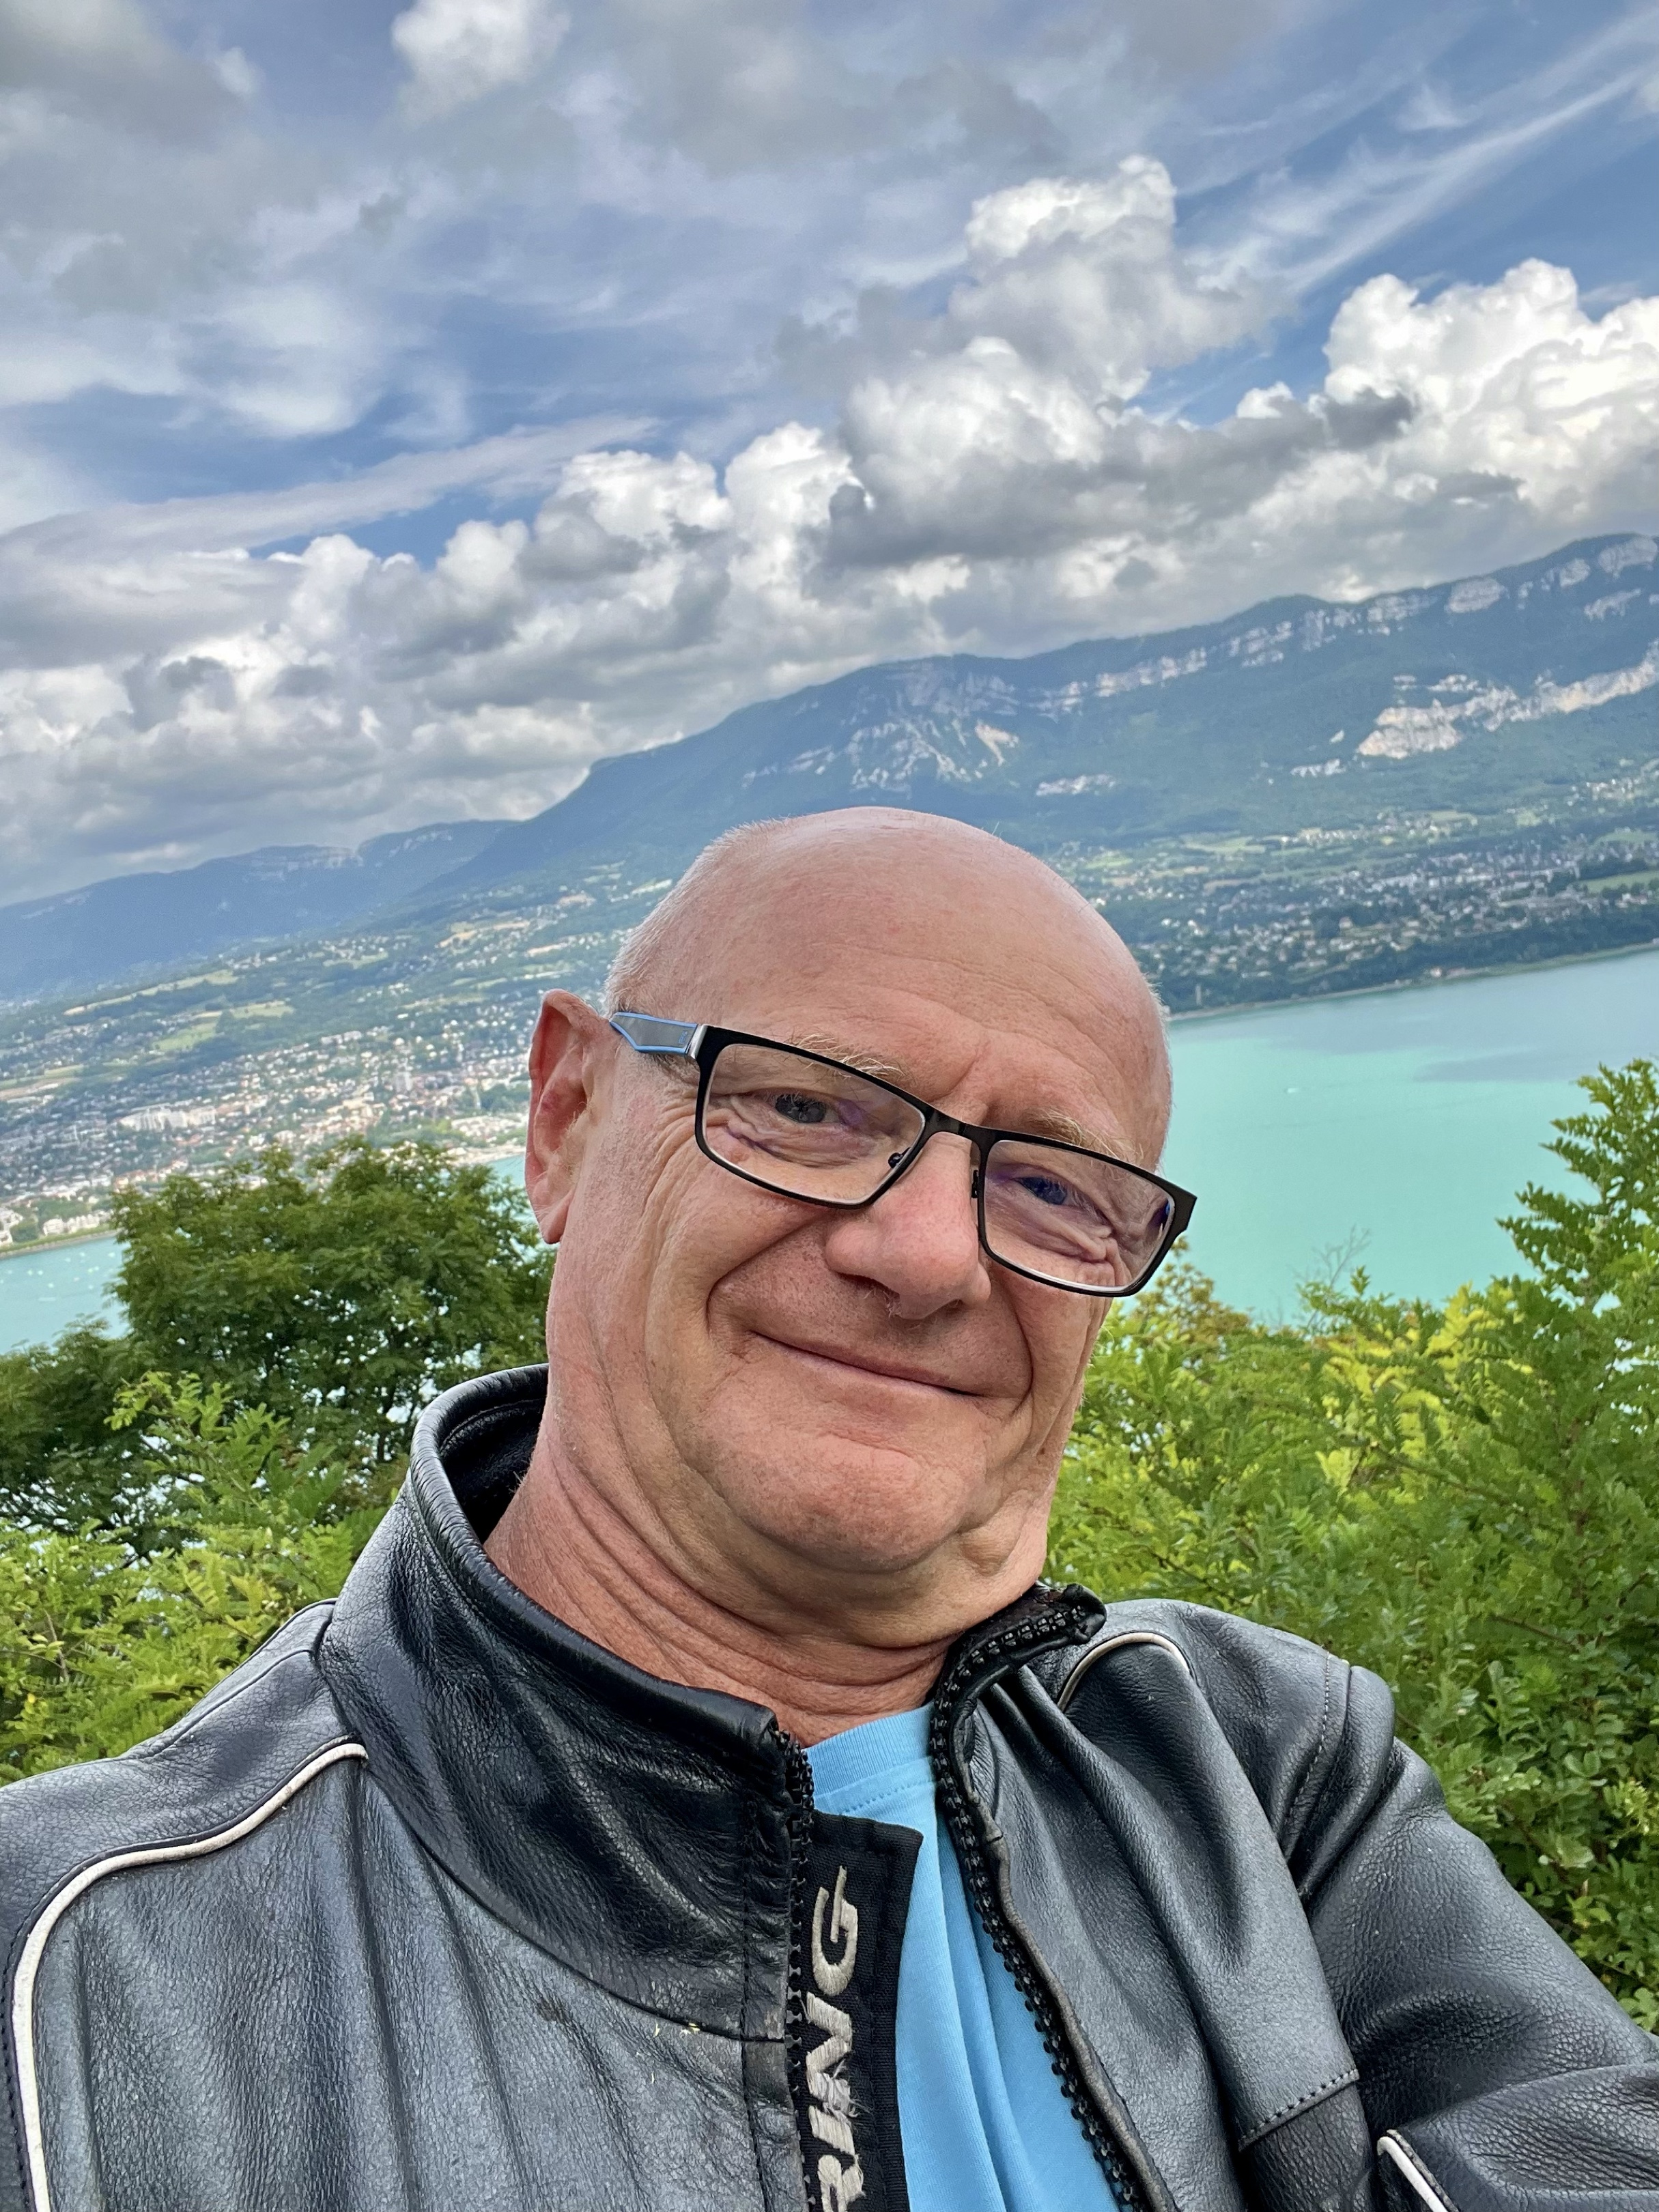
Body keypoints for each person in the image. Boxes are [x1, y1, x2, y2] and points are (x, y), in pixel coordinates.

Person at [0, 808, 1654, 2212]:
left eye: (1051, 1187)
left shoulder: (1254, 1767)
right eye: (805, 1105)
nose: (927, 1256)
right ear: (565, 1120)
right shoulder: (75, 1976)